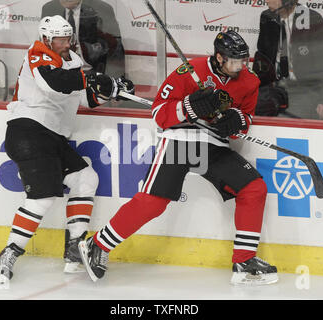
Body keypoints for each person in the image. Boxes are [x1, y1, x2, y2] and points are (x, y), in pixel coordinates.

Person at [78, 30, 278, 286]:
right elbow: (159, 113)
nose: (240, 67)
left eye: (243, 61)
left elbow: (245, 120)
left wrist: (235, 121)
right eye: (234, 61)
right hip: (180, 139)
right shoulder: (190, 71)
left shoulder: (249, 81)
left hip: (213, 145)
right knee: (153, 202)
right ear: (219, 57)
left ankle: (244, 261)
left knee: (254, 188)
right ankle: (97, 245)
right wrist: (189, 107)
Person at [0, 15, 134, 284]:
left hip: (52, 137)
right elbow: (54, 81)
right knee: (42, 198)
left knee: (86, 178)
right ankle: (7, 255)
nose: (66, 43)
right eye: (60, 39)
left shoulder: (74, 62)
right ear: (47, 39)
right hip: (28, 131)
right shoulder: (38, 54)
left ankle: (75, 249)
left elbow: (86, 98)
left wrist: (110, 91)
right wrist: (95, 78)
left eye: (68, 38)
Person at [253, 0, 323, 119]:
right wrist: (255, 89)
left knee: (297, 115)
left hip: (304, 87)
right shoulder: (267, 17)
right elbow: (262, 56)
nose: (266, 0)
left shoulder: (312, 18)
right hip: (274, 85)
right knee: (256, 109)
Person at [41, 0, 125, 77]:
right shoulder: (49, 9)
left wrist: (110, 82)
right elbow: (44, 47)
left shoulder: (102, 9)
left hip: (91, 72)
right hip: (59, 73)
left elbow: (116, 50)